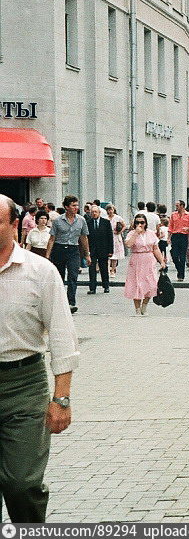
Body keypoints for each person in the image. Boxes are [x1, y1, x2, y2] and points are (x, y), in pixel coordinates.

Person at [0, 194, 79, 522]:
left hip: (24, 386)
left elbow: (62, 336)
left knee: (21, 483)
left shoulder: (40, 272)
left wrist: (61, 398)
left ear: (15, 225)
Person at [45, 195, 90, 312]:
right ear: (66, 207)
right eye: (73, 205)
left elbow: (84, 238)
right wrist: (47, 255)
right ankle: (59, 302)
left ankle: (71, 302)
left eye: (77, 205)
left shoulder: (81, 220)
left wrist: (87, 254)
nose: (76, 207)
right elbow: (52, 238)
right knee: (59, 277)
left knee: (73, 276)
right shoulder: (58, 220)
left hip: (73, 250)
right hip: (59, 249)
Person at [123, 214, 166, 315]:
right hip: (137, 259)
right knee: (136, 283)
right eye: (137, 222)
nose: (140, 224)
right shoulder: (131, 233)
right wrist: (136, 233)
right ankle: (137, 309)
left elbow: (155, 248)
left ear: (145, 223)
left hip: (149, 259)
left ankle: (144, 305)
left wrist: (162, 261)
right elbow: (128, 245)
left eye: (142, 222)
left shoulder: (151, 233)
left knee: (151, 284)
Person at [85, 205, 113, 294]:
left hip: (103, 249)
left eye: (95, 212)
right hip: (92, 250)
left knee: (104, 268)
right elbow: (85, 237)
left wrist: (110, 250)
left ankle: (106, 286)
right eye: (92, 212)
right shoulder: (88, 223)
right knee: (92, 269)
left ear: (99, 213)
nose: (94, 214)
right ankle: (92, 288)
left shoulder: (106, 223)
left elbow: (110, 237)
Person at [167, 200, 189, 282]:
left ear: (182, 206)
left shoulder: (188, 215)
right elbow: (170, 227)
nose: (176, 207)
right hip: (175, 236)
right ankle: (179, 268)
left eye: (178, 205)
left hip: (183, 236)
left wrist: (188, 228)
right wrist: (168, 238)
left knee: (182, 256)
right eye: (176, 206)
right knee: (174, 255)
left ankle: (181, 274)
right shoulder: (173, 215)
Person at [106, 205, 125, 276]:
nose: (110, 211)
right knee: (107, 254)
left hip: (116, 237)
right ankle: (107, 270)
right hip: (107, 237)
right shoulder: (105, 218)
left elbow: (124, 225)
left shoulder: (118, 218)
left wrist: (120, 232)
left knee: (115, 255)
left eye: (111, 209)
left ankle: (113, 270)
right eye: (109, 210)